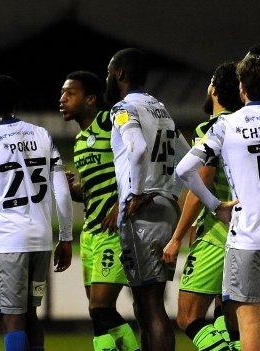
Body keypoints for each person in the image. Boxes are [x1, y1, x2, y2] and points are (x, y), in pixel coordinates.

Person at [0, 75, 73, 351]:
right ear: (17, 102)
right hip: (40, 241)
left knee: (12, 319)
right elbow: (61, 192)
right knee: (31, 314)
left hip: (7, 241)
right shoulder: (42, 135)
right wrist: (66, 237)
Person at [105, 48, 190, 351]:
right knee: (149, 302)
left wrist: (138, 192)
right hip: (165, 208)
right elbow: (188, 158)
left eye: (108, 73)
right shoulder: (160, 109)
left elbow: (137, 149)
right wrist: (169, 193)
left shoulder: (123, 108)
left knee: (150, 303)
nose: (107, 79)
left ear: (120, 74)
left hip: (142, 214)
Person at [176, 53, 260, 351]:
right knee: (229, 319)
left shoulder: (221, 127)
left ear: (242, 89)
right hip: (237, 238)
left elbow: (187, 172)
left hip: (236, 235)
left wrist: (213, 207)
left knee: (241, 320)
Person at [163, 62, 242, 351]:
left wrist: (176, 238)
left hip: (219, 235)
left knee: (188, 315)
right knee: (230, 316)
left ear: (215, 89)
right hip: (244, 233)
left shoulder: (213, 129)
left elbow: (200, 187)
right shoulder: (247, 126)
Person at [59, 71, 138, 351]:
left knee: (101, 307)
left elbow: (136, 160)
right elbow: (92, 193)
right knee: (97, 312)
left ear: (90, 99)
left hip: (113, 232)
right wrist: (74, 189)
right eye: (62, 94)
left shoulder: (109, 121)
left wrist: (123, 202)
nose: (63, 99)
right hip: (91, 234)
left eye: (70, 94)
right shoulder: (80, 141)